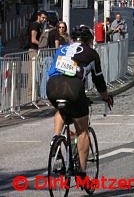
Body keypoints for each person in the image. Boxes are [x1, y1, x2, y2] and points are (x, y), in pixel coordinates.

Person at [46, 25, 113, 181]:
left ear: (71, 39)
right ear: (89, 40)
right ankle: (82, 173)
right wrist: (105, 96)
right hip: (73, 88)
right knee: (82, 131)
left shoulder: (61, 49)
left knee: (60, 109)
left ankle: (56, 139)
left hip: (52, 86)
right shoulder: (92, 53)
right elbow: (98, 79)